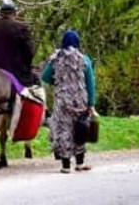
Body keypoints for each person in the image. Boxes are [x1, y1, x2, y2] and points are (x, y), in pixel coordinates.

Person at [41, 29, 96, 173]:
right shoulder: (85, 60)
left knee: (63, 130)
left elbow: (45, 76)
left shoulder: (57, 59)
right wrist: (91, 103)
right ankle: (79, 163)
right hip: (80, 101)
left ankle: (65, 166)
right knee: (80, 128)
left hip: (62, 101)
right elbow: (90, 82)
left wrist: (60, 82)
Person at [0, 0, 36, 85]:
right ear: (14, 13)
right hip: (16, 72)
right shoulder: (21, 27)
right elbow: (29, 53)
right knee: (36, 89)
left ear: (0, 13)